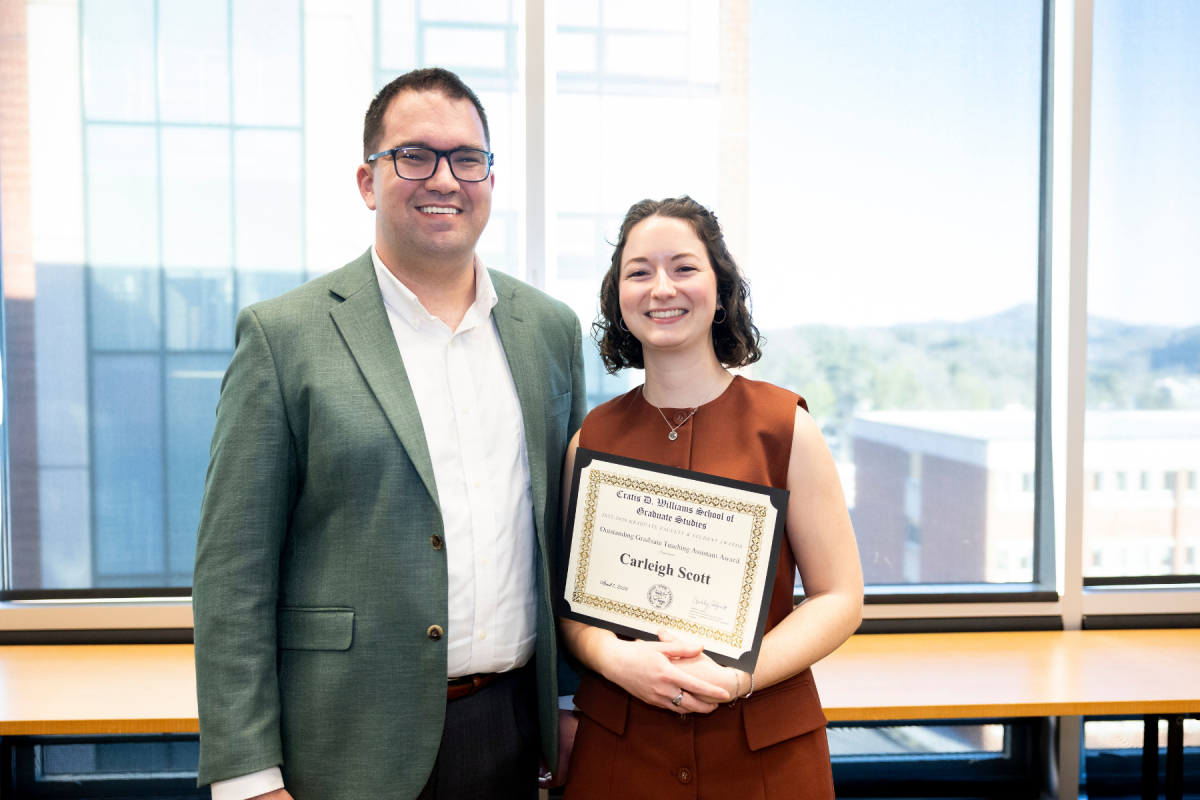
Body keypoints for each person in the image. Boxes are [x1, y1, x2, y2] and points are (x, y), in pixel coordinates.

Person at [193, 68, 585, 800]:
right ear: (369, 181)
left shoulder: (550, 332)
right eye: (415, 155)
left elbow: (564, 540)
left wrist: (565, 702)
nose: (445, 178)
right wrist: (247, 776)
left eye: (467, 158)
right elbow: (232, 575)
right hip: (342, 746)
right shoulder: (284, 337)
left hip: (509, 733)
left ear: (490, 180)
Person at [557, 196, 864, 798]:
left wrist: (737, 675)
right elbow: (570, 608)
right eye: (639, 272)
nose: (661, 287)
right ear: (617, 298)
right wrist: (614, 660)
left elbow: (839, 597)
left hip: (765, 754)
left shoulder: (785, 426)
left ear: (720, 291)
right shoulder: (589, 440)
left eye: (684, 267)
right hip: (622, 750)